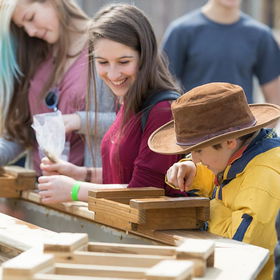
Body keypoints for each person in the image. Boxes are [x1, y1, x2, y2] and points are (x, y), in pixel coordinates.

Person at [38, 3, 184, 204]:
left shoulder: (163, 111)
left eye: (124, 62)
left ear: (145, 57)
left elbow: (146, 192)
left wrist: (74, 190)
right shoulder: (129, 102)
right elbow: (122, 174)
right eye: (103, 62)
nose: (113, 74)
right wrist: (79, 173)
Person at [148, 82, 280, 280]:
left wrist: (212, 207)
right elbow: (226, 180)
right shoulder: (238, 155)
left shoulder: (262, 181)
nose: (194, 158)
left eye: (199, 150)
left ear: (229, 141)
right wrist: (191, 170)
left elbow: (240, 252)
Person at [0, 0, 115, 174]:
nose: (30, 32)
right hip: (39, 193)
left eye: (30, 18)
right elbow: (22, 132)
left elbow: (133, 123)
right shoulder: (34, 54)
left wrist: (79, 121)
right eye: (23, 27)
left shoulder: (106, 46)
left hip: (85, 194)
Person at [162, 0, 280, 105]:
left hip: (245, 127)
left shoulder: (260, 35)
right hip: (195, 126)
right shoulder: (181, 31)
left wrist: (262, 129)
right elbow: (162, 89)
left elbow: (274, 99)